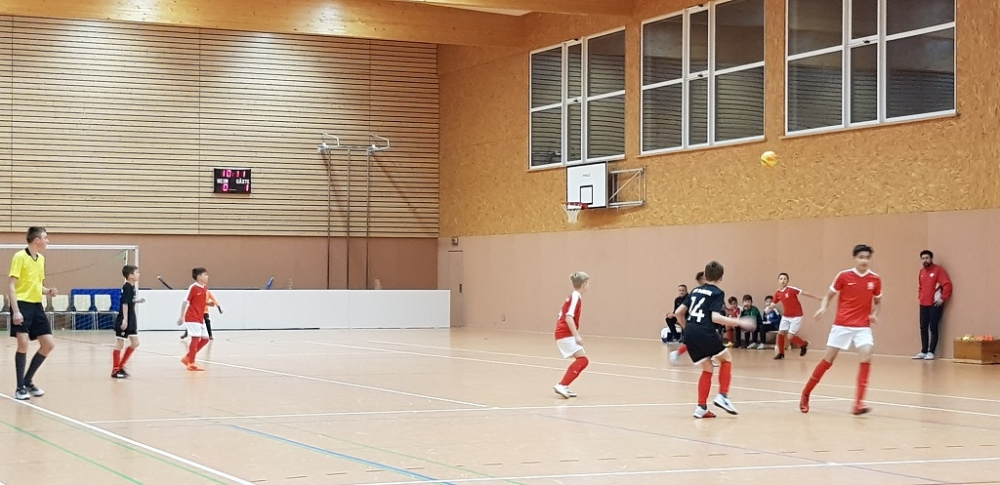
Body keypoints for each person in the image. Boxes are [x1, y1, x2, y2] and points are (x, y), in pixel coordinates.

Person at [800, 244, 882, 415]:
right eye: (861, 257)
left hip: (862, 327)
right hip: (842, 325)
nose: (864, 260)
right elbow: (828, 296)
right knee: (828, 360)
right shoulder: (844, 276)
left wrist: (874, 314)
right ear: (855, 258)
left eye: (867, 258)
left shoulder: (875, 279)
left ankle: (858, 403)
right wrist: (823, 307)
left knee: (867, 355)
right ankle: (806, 393)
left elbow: (878, 302)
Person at [673, 261, 753, 418]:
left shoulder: (695, 291)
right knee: (726, 360)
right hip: (705, 331)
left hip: (690, 332)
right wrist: (739, 322)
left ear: (705, 275)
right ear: (721, 277)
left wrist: (687, 328)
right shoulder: (717, 293)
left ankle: (701, 407)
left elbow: (678, 312)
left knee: (707, 367)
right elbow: (715, 317)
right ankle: (723, 395)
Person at [8, 227, 58, 400]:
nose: (47, 241)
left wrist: (48, 291)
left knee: (48, 344)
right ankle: (19, 387)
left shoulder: (41, 259)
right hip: (22, 305)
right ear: (37, 240)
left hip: (37, 305)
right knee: (23, 344)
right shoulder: (19, 257)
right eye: (45, 237)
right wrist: (16, 311)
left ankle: (27, 381)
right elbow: (12, 285)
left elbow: (36, 285)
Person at [765, 273, 820, 360]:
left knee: (790, 337)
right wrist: (768, 308)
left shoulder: (791, 290)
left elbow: (805, 293)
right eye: (781, 279)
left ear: (787, 281)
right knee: (780, 333)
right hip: (786, 316)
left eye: (785, 279)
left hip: (796, 316)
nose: (783, 281)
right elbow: (773, 303)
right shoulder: (778, 293)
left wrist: (818, 297)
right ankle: (781, 353)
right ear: (778, 281)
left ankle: (803, 344)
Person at [553, 272, 590, 399]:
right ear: (584, 284)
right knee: (583, 360)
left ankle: (564, 385)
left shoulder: (574, 296)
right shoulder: (575, 297)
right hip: (565, 333)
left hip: (563, 333)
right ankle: (562, 385)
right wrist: (576, 336)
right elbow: (569, 317)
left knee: (582, 360)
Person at [914, 250, 952, 360]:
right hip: (923, 304)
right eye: (923, 258)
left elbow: (947, 284)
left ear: (931, 259)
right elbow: (920, 287)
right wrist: (920, 297)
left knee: (933, 327)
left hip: (935, 304)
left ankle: (931, 352)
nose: (925, 260)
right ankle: (924, 351)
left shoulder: (938, 270)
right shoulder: (921, 272)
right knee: (923, 327)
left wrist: (942, 298)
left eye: (927, 258)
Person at [112, 265, 145, 378]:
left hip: (131, 318)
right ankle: (115, 370)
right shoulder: (127, 287)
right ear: (130, 276)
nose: (139, 274)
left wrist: (137, 301)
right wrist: (125, 320)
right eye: (137, 272)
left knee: (135, 343)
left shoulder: (132, 287)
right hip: (125, 318)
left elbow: (129, 300)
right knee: (120, 343)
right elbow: (124, 303)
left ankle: (121, 366)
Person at [669, 272, 709, 365]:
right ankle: (677, 353)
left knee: (698, 340)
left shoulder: (708, 291)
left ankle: (677, 353)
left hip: (703, 319)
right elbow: (679, 312)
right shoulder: (696, 293)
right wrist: (684, 325)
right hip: (697, 319)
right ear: (700, 280)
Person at [178, 268, 211, 371]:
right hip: (192, 317)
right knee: (195, 338)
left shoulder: (204, 288)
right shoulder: (193, 287)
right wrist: (181, 316)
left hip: (200, 317)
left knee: (205, 339)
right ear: (199, 277)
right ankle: (191, 363)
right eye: (205, 275)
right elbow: (185, 302)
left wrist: (208, 303)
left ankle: (188, 357)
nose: (207, 277)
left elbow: (199, 301)